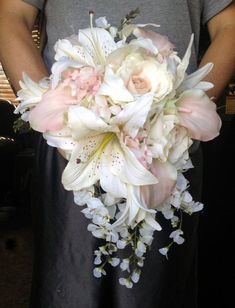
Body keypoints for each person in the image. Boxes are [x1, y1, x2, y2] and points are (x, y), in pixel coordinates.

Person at [0, 1, 235, 307]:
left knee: (158, 292)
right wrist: (53, 117)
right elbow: (11, 16)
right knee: (69, 287)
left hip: (168, 142)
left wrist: (182, 119)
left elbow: (229, 27)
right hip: (69, 140)